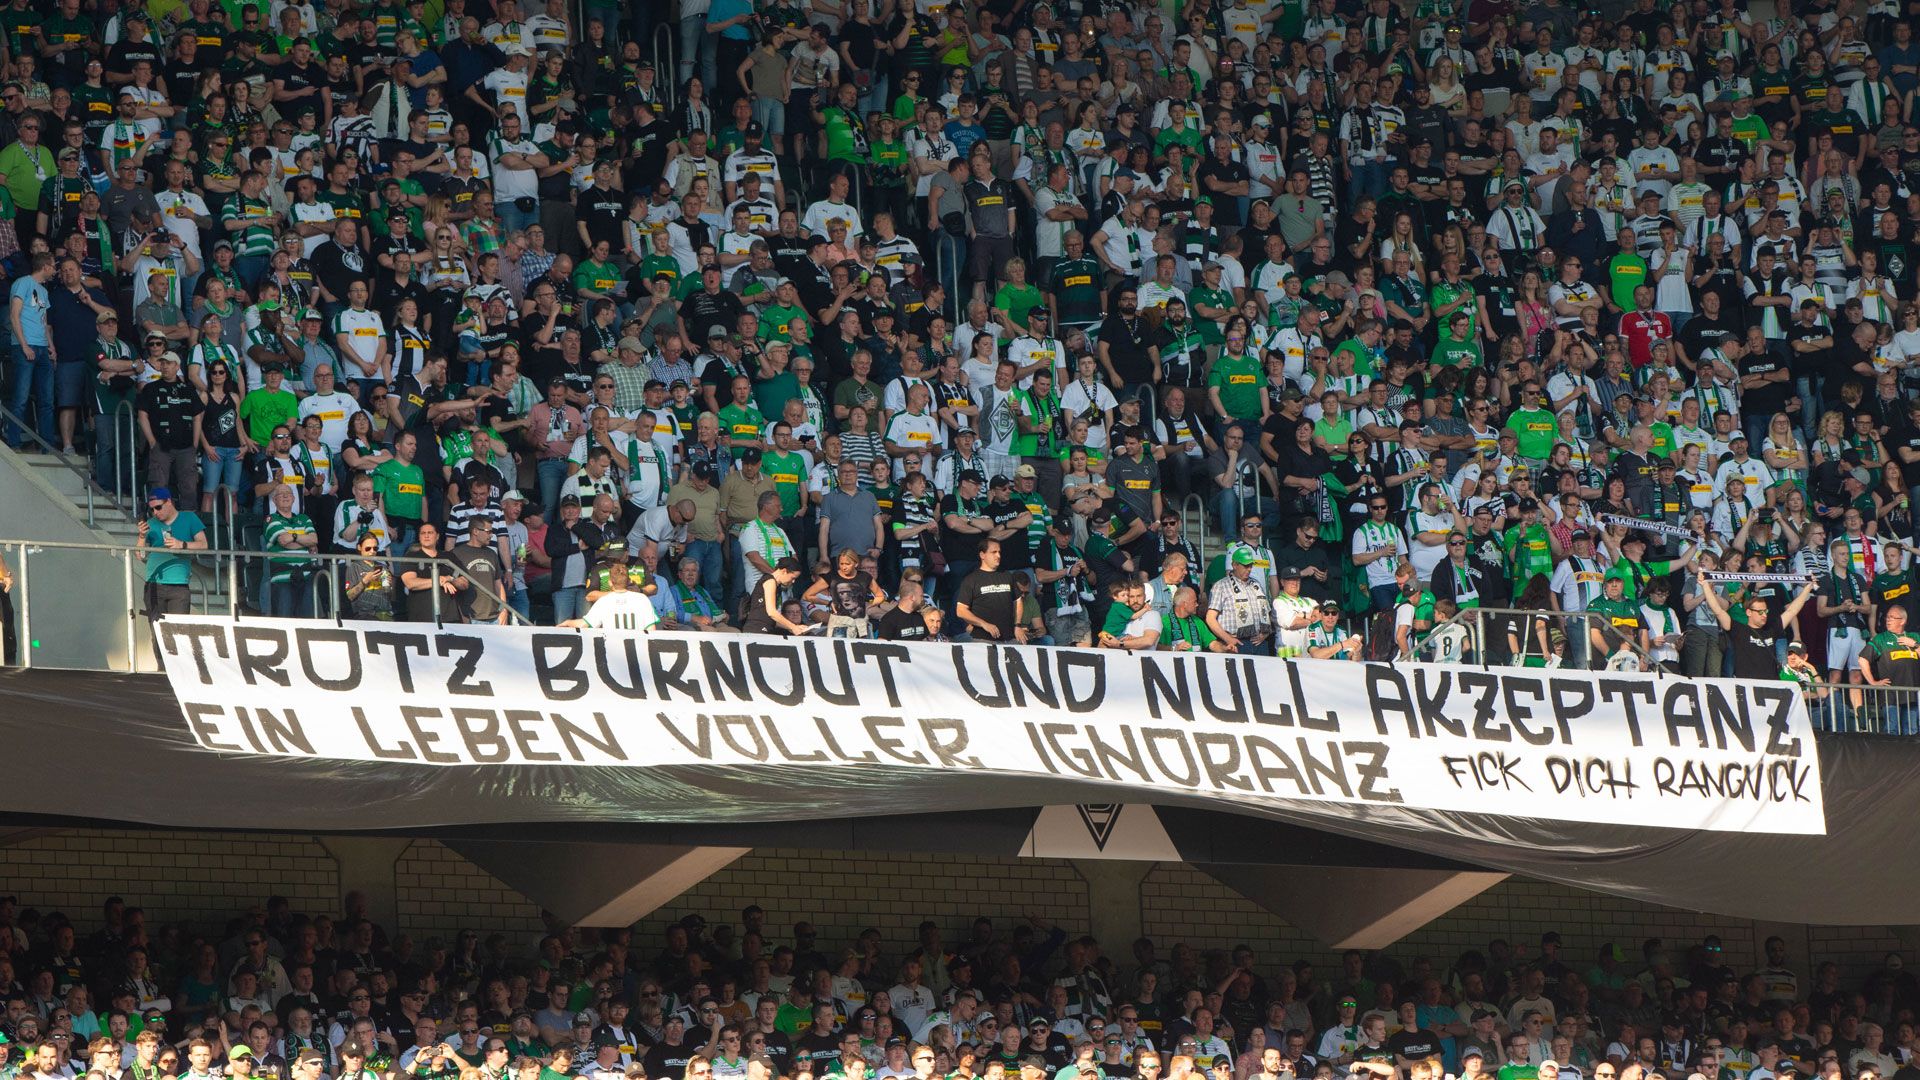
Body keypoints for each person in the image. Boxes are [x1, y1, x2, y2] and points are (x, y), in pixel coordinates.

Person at [138, 487, 207, 623]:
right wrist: (141, 536)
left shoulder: (189, 517)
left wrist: (182, 544)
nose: (155, 512)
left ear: (169, 502)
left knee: (178, 633)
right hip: (154, 583)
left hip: (179, 585)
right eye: (152, 509)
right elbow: (140, 555)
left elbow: (203, 544)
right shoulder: (150, 524)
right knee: (157, 633)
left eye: (158, 507)